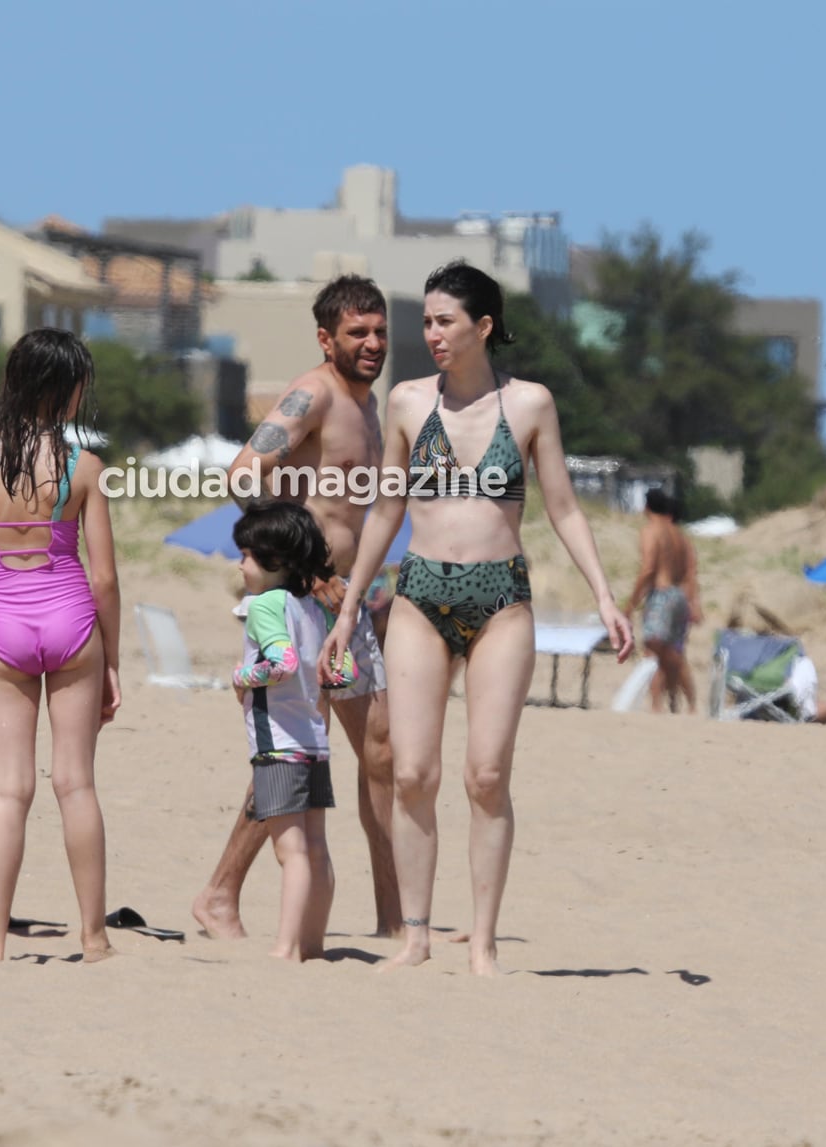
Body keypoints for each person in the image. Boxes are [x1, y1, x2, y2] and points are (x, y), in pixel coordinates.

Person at [322, 260, 634, 975]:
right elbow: (388, 509)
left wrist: (605, 596)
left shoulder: (529, 405)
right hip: (419, 595)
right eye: (427, 321)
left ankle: (485, 942)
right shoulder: (404, 402)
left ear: (483, 326)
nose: (431, 333)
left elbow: (561, 507)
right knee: (412, 773)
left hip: (501, 600)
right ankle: (417, 936)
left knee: (487, 773)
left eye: (445, 321)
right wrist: (346, 610)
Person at [192, 274, 402, 941]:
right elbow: (241, 478)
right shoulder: (312, 392)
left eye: (379, 330)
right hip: (301, 604)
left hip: (348, 606)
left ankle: (394, 914)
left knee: (381, 750)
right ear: (325, 338)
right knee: (295, 755)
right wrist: (305, 566)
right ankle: (220, 893)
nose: (372, 343)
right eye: (357, 333)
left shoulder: (371, 405)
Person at [0, 328, 121, 963]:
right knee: (76, 785)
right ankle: (94, 939)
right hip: (72, 621)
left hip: (3, 629)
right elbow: (103, 577)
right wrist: (113, 663)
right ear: (68, 392)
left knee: (10, 791)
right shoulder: (85, 468)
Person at [230, 502, 358, 961]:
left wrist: (241, 678)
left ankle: (285, 949)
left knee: (292, 854)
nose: (240, 564)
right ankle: (312, 944)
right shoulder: (311, 609)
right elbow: (340, 672)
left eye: (245, 555)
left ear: (274, 561)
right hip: (314, 742)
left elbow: (281, 665)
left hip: (278, 745)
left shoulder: (265, 606)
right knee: (317, 848)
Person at [626, 488, 702, 714]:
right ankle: (689, 705)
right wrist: (694, 604)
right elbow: (691, 573)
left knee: (654, 652)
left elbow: (648, 568)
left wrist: (631, 603)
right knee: (675, 654)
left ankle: (656, 706)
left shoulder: (651, 531)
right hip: (680, 597)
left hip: (661, 595)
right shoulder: (681, 536)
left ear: (646, 507)